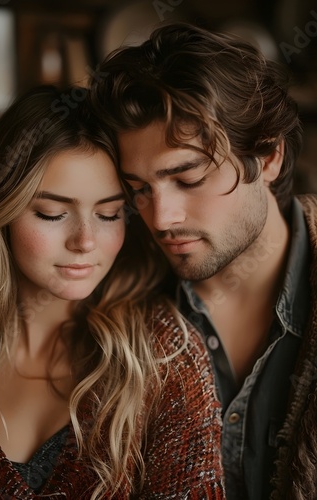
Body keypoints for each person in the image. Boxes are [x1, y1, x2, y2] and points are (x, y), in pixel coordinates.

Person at [0, 84, 225, 499]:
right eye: (53, 214)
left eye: (110, 214)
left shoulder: (165, 356)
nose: (85, 241)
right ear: (2, 208)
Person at [89, 22, 317, 500]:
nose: (161, 217)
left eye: (188, 178)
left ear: (269, 156)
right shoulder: (111, 307)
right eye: (139, 190)